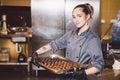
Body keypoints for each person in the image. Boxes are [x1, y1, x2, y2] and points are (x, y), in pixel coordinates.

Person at [32, 3, 104, 80]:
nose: (76, 20)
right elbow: (53, 44)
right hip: (64, 75)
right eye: (74, 17)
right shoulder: (71, 34)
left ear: (87, 16)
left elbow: (99, 65)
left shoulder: (92, 39)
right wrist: (36, 53)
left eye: (79, 16)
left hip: (77, 77)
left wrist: (83, 73)